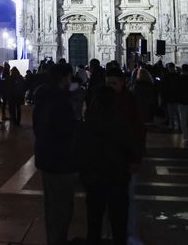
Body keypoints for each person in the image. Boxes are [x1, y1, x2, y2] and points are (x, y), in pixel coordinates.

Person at [75, 85, 141, 245]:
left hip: (93, 179)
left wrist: (82, 174)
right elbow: (133, 151)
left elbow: (78, 150)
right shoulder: (121, 123)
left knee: (94, 220)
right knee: (119, 221)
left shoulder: (86, 124)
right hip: (117, 178)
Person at [33, 62, 77, 245]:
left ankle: (53, 239)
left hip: (46, 160)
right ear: (63, 78)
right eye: (69, 77)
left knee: (52, 207)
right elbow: (66, 130)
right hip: (60, 162)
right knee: (62, 208)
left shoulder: (43, 99)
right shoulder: (60, 103)